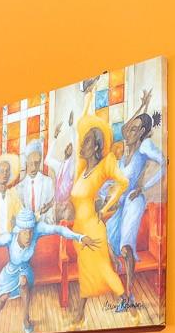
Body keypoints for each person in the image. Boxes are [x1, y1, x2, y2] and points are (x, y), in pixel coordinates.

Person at [0, 208, 89, 333]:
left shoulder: (37, 231)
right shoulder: (9, 238)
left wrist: (79, 237)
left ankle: (25, 320)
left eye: (30, 231)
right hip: (9, 272)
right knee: (3, 298)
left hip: (25, 270)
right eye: (25, 232)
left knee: (24, 283)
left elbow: (59, 230)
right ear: (18, 230)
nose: (28, 236)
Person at [67, 110, 129, 318]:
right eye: (83, 141)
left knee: (103, 269)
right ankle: (80, 314)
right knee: (86, 272)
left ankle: (128, 308)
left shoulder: (103, 167)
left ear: (95, 147)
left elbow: (123, 182)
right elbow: (78, 125)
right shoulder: (82, 171)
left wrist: (104, 209)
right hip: (79, 230)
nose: (82, 145)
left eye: (87, 142)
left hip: (93, 228)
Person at [113, 110, 165, 312]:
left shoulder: (144, 146)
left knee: (126, 249)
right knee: (111, 244)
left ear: (142, 131)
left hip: (135, 201)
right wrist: (141, 105)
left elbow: (164, 163)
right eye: (129, 129)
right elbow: (124, 128)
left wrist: (144, 187)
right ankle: (123, 293)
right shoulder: (124, 153)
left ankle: (129, 294)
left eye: (134, 130)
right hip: (121, 202)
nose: (128, 133)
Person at [21, 138, 58, 225]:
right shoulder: (19, 187)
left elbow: (51, 212)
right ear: (26, 162)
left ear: (40, 161)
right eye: (31, 163)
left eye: (37, 163)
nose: (34, 167)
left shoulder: (48, 182)